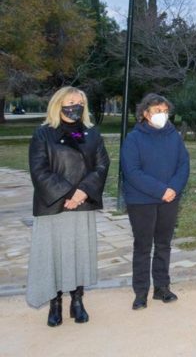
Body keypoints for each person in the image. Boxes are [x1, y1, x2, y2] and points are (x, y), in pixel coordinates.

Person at [27, 87, 109, 327]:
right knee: (54, 255)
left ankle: (77, 300)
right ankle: (55, 303)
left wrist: (83, 192)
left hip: (81, 205)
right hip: (54, 204)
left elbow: (102, 166)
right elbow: (39, 170)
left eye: (80, 101)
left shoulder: (92, 133)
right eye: (70, 101)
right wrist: (68, 194)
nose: (75, 105)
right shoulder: (43, 134)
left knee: (78, 253)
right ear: (58, 103)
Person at [121, 93, 190, 310]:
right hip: (141, 200)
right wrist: (161, 190)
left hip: (169, 198)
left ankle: (162, 288)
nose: (162, 115)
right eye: (157, 111)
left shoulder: (174, 136)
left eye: (165, 111)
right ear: (145, 114)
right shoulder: (134, 139)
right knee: (143, 246)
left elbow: (183, 164)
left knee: (163, 244)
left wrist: (173, 189)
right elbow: (131, 171)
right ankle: (141, 292)